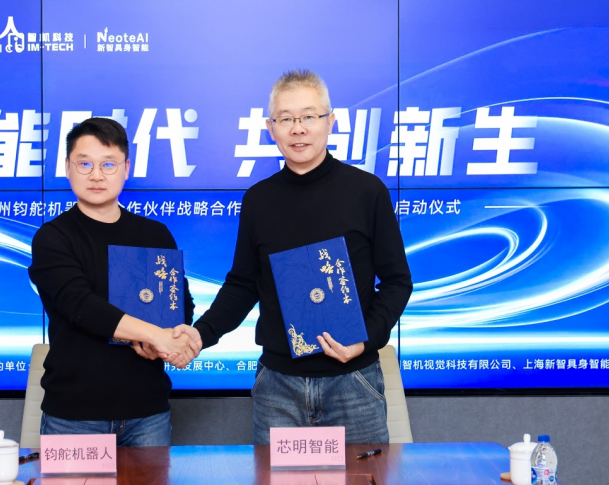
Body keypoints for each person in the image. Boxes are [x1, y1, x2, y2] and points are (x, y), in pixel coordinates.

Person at [173, 70, 413, 444]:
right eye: (286, 119)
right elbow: (242, 285)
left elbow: (398, 281)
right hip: (278, 387)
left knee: (365, 482)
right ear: (271, 128)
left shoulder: (367, 192)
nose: (298, 128)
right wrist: (199, 334)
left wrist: (365, 339)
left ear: (330, 122)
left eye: (309, 116)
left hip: (354, 381)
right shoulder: (258, 200)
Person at [28, 117, 197, 446]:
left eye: (108, 164)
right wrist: (153, 335)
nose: (96, 175)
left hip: (148, 413)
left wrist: (168, 338)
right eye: (84, 163)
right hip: (75, 417)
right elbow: (82, 307)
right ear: (67, 168)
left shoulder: (154, 234)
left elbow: (180, 303)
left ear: (126, 168)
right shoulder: (53, 237)